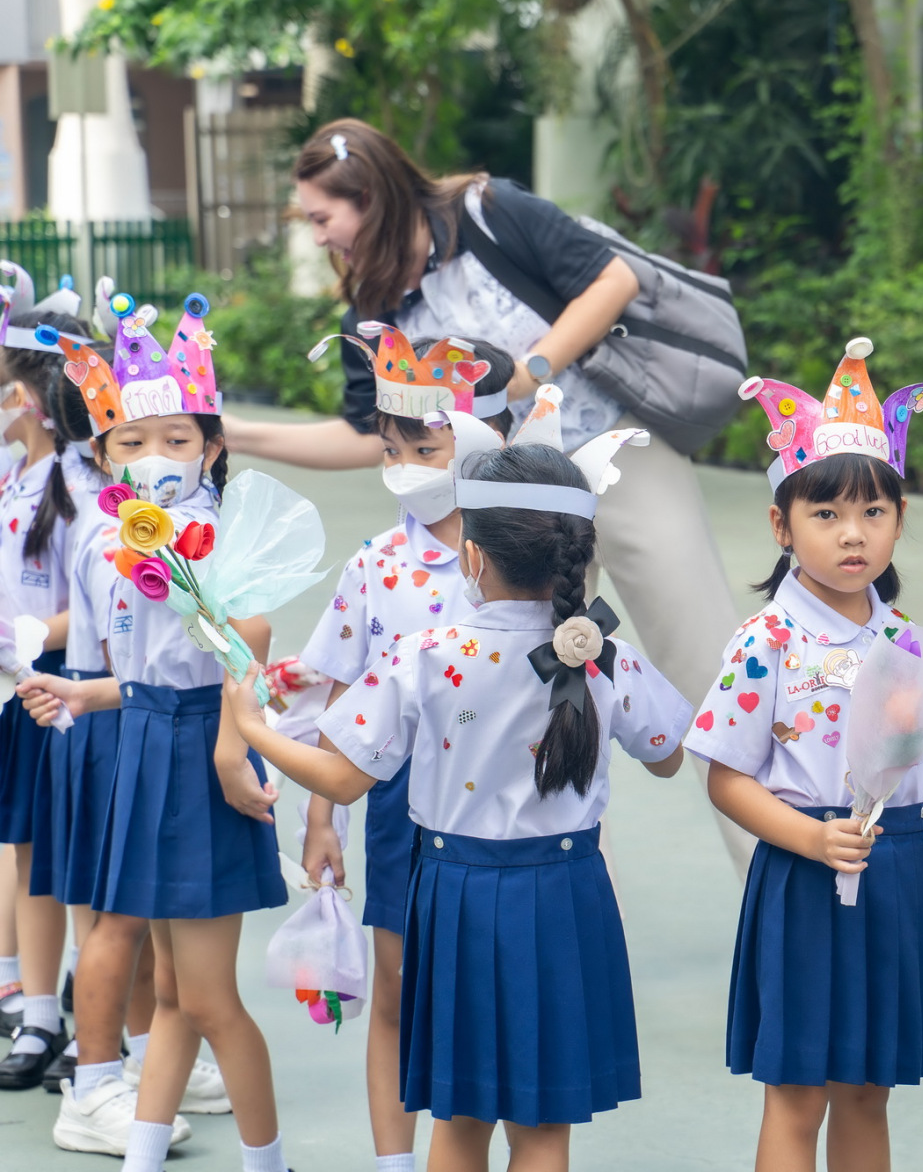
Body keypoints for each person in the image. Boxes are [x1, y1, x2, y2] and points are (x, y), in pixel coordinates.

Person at [225, 119, 751, 874]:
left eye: (321, 216)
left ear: (370, 197)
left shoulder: (488, 211)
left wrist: (527, 374)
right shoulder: (373, 309)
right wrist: (238, 431)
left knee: (706, 665)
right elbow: (367, 435)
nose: (317, 236)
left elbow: (613, 281)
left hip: (616, 455)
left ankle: (781, 875)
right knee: (527, 698)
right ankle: (567, 906)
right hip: (504, 514)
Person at [222, 439, 691, 1172]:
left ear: (473, 557)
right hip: (567, 894)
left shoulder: (427, 655)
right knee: (543, 1129)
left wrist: (253, 728)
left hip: (457, 893)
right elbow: (666, 756)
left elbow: (342, 779)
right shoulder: (607, 656)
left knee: (461, 1119)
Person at [688, 338, 923, 1171]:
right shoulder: (766, 640)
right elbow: (726, 779)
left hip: (897, 872)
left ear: (899, 518)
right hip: (806, 878)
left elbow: (903, 752)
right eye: (826, 515)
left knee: (868, 1089)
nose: (853, 535)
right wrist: (811, 838)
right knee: (798, 1093)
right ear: (781, 525)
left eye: (873, 512)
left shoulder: (901, 636)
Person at [19, 292, 288, 1171]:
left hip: (197, 756)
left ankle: (268, 1160)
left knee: (206, 999)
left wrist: (231, 745)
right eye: (131, 443)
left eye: (177, 439)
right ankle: (140, 1155)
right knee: (171, 995)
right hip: (144, 744)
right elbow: (145, 676)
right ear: (102, 454)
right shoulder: (114, 540)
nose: (155, 458)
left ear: (212, 446)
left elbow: (247, 645)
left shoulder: (214, 534)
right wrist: (83, 694)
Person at [295, 327, 515, 1172]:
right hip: (397, 801)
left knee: (486, 997)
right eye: (392, 449)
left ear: (485, 443)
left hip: (500, 810)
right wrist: (323, 819)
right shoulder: (376, 564)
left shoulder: (525, 556)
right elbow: (339, 696)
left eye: (426, 449)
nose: (405, 466)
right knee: (395, 988)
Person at [0, 294, 88, 1093]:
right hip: (25, 691)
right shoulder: (18, 472)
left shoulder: (76, 483)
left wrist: (26, 636)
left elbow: (93, 609)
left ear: (24, 396)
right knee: (29, 854)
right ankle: (38, 1012)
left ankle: (92, 1022)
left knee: (76, 861)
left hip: (69, 692)